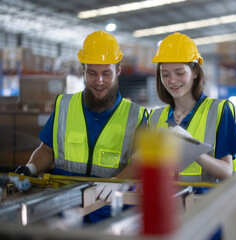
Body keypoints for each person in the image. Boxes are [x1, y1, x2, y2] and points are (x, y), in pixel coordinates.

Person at [15, 30, 148, 222]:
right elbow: (47, 148)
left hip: (109, 214)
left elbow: (141, 163)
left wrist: (117, 183)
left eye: (106, 73)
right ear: (83, 71)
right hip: (63, 210)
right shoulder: (65, 106)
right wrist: (31, 168)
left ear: (118, 70)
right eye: (92, 73)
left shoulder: (136, 116)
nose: (99, 81)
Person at [149, 32, 236, 183]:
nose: (172, 80)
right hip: (168, 204)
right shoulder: (155, 117)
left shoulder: (219, 110)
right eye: (165, 75)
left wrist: (193, 151)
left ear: (194, 72)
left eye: (179, 73)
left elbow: (227, 171)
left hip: (206, 203)